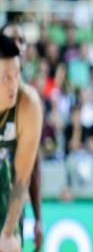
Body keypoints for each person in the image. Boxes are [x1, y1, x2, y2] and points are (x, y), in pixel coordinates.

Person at [1, 24, 43, 251]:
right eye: (6, 78)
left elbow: (27, 171)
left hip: (7, 184)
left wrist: (9, 232)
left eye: (21, 40)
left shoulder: (29, 104)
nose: (13, 84)